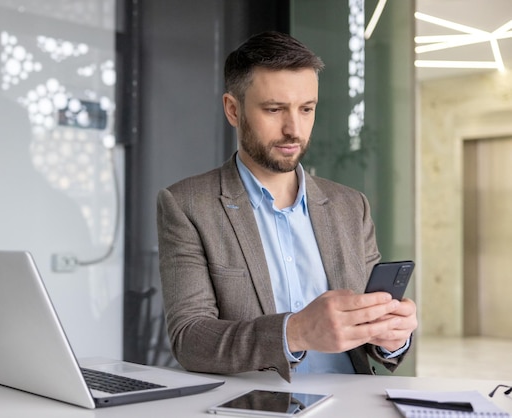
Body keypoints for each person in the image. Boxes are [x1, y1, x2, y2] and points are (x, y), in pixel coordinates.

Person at [156, 31, 418, 382]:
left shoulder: (351, 206)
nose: (294, 129)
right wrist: (296, 332)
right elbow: (189, 339)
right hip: (256, 405)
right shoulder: (188, 205)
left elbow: (371, 336)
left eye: (306, 109)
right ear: (233, 110)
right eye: (274, 109)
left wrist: (393, 337)